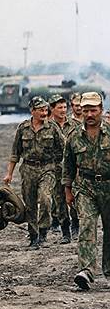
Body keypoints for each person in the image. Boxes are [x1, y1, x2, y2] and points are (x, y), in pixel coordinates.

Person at [4, 96, 65, 249]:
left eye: (46, 110)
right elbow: (15, 152)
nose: (44, 113)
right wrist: (9, 174)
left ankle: (43, 231)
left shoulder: (52, 127)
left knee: (45, 199)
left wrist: (58, 165)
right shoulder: (23, 128)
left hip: (48, 168)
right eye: (40, 110)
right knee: (30, 203)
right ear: (32, 111)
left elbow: (64, 149)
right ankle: (33, 236)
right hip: (28, 169)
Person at [63, 92, 110, 290]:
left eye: (93, 110)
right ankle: (86, 271)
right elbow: (69, 166)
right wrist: (68, 191)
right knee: (87, 227)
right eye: (85, 110)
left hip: (109, 186)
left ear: (101, 110)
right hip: (85, 187)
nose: (89, 114)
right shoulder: (74, 137)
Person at [48, 94, 78, 243]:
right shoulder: (47, 127)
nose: (63, 110)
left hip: (72, 168)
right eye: (59, 107)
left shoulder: (75, 125)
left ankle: (76, 227)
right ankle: (65, 232)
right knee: (59, 201)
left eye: (65, 107)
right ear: (52, 109)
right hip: (55, 169)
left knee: (73, 199)